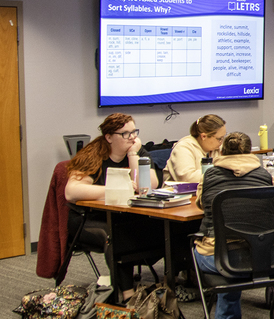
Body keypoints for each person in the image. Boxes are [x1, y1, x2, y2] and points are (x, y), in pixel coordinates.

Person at [192, 132, 274, 319]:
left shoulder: (209, 176)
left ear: (221, 151)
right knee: (240, 246)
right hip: (267, 258)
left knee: (214, 248)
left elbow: (202, 204)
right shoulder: (265, 177)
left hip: (222, 260)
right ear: (250, 152)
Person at [65, 113, 162, 302]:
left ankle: (173, 281)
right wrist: (112, 190)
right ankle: (128, 295)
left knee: (162, 230)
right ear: (109, 137)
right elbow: (71, 191)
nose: (132, 137)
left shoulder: (138, 151)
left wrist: (133, 155)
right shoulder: (93, 154)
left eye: (134, 132)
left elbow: (148, 186)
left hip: (124, 216)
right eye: (125, 134)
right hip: (87, 219)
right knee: (117, 235)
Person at [164, 114, 225, 183]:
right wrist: (221, 173)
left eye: (223, 137)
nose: (222, 142)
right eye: (219, 138)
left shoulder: (218, 147)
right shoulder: (183, 147)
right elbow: (187, 177)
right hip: (181, 192)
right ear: (204, 136)